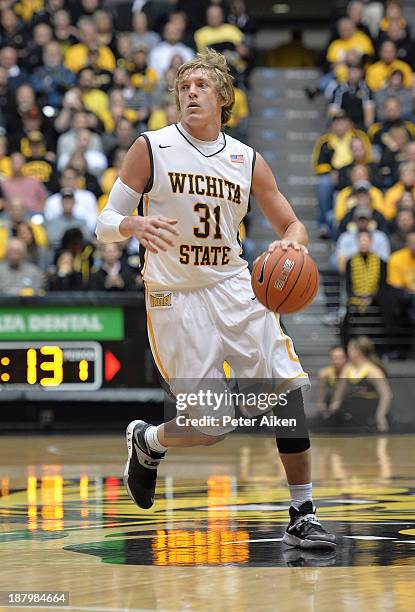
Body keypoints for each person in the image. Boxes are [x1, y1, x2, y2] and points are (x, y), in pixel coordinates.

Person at [96, 50, 336, 550]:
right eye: (184, 87)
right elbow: (103, 224)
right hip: (176, 296)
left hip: (236, 288)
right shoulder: (152, 148)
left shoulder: (247, 159)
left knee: (284, 393)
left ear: (224, 98)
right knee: (212, 425)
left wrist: (292, 242)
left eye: (202, 85)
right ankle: (149, 441)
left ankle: (303, 510)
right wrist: (131, 223)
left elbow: (292, 223)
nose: (191, 93)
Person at [328, 337, 392, 432]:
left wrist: (380, 416)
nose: (347, 351)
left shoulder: (373, 371)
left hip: (370, 413)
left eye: (349, 348)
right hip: (352, 413)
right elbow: (339, 391)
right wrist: (332, 409)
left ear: (357, 351)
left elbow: (386, 395)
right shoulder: (347, 368)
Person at [317, 346, 347, 418]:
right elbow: (320, 397)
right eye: (334, 358)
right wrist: (321, 406)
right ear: (330, 359)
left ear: (345, 358)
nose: (337, 361)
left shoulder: (349, 371)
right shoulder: (325, 373)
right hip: (330, 402)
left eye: (340, 358)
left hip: (347, 403)